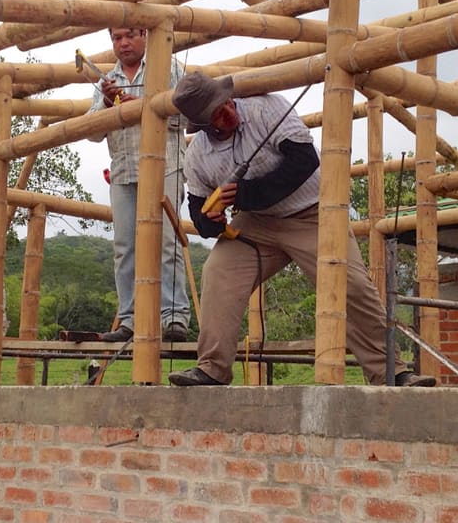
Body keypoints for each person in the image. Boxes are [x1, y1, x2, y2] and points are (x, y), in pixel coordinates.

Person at [166, 72, 436, 387]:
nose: (228, 112)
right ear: (202, 125)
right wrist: (210, 222)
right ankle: (212, 369)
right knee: (218, 272)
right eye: (217, 114)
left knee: (353, 287)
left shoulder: (267, 107)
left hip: (314, 214)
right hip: (256, 224)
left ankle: (392, 373)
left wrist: (245, 194)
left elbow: (303, 161)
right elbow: (198, 210)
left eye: (225, 103)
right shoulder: (198, 155)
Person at [85, 27, 191, 343]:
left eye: (130, 35)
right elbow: (91, 130)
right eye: (117, 38)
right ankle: (129, 320)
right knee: (124, 248)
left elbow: (189, 115)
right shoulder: (107, 81)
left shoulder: (169, 68)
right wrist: (106, 104)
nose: (124, 42)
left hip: (166, 168)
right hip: (124, 171)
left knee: (167, 242)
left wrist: (145, 107)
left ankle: (174, 318)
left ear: (145, 35)